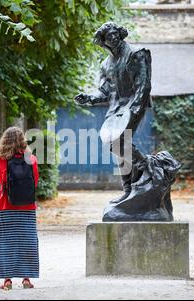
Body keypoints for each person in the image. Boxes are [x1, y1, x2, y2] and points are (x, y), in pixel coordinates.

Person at [75, 22, 152, 204]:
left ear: (120, 34)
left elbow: (144, 85)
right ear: (104, 42)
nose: (113, 38)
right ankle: (129, 186)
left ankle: (143, 166)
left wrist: (135, 108)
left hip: (133, 104)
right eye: (108, 36)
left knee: (119, 142)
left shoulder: (137, 53)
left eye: (115, 33)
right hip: (115, 108)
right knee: (114, 144)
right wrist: (89, 98)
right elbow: (105, 92)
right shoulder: (105, 64)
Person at [0, 126, 40, 290]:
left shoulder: (1, 159)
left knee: (7, 242)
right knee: (27, 241)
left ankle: (7, 280)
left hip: (6, 205)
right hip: (27, 207)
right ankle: (26, 279)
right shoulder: (31, 158)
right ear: (22, 140)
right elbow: (35, 181)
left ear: (5, 141)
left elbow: (1, 181)